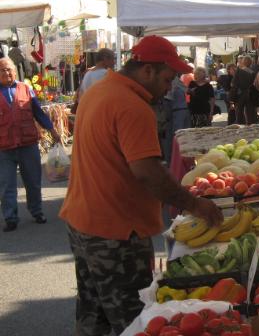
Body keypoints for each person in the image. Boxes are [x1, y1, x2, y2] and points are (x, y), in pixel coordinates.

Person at [59, 35, 223, 336]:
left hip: (83, 221)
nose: (170, 86)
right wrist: (195, 204)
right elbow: (146, 172)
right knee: (134, 320)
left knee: (93, 312)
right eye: (167, 77)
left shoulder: (99, 90)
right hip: (117, 230)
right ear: (147, 70)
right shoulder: (132, 106)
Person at [0, 57, 61, 232]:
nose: (6, 73)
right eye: (2, 70)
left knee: (33, 181)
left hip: (28, 144)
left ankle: (37, 211)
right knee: (6, 185)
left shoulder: (26, 88)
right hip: (4, 147)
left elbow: (38, 112)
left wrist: (52, 130)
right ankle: (10, 218)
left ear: (14, 70)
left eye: (9, 69)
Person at [231, 56, 258, 125]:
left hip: (240, 94)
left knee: (239, 113)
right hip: (249, 94)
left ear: (243, 62)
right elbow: (255, 84)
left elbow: (233, 83)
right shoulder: (253, 73)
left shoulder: (239, 71)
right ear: (250, 63)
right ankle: (251, 127)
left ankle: (241, 127)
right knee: (250, 113)